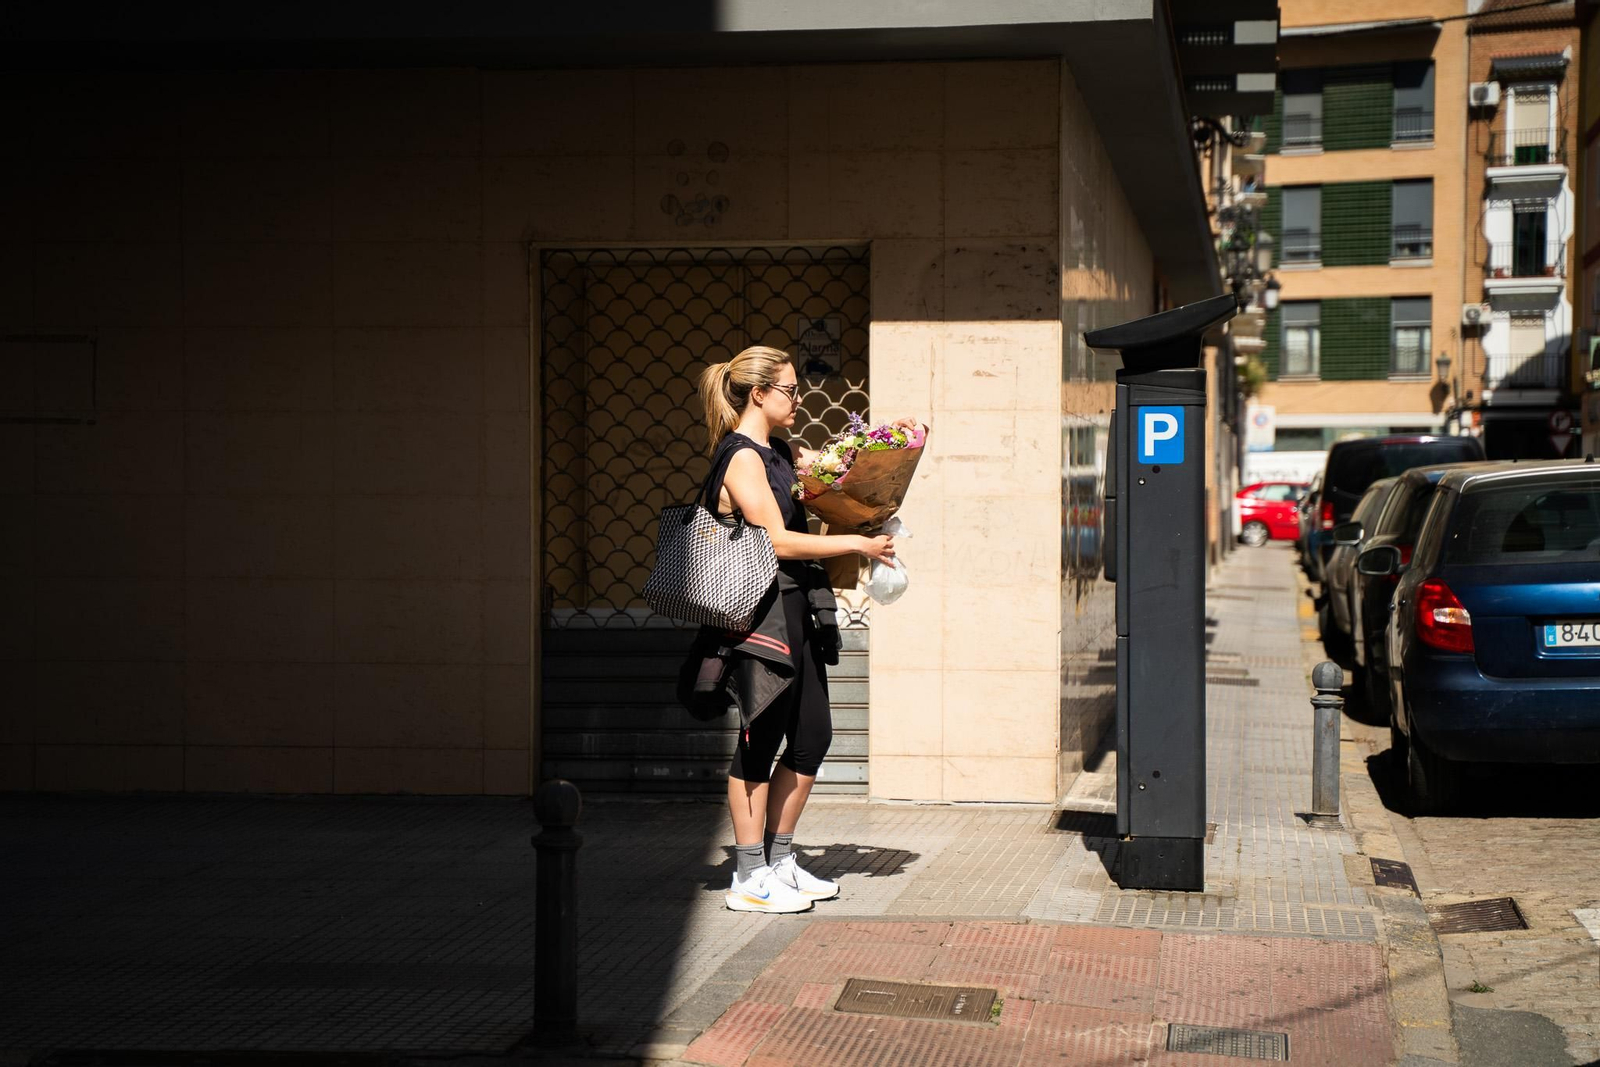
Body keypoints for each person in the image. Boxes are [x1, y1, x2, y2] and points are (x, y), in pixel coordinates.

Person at [694, 345, 910, 914]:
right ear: (759, 393)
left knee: (813, 734)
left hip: (797, 607)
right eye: (790, 390)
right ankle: (747, 874)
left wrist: (891, 450)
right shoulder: (740, 457)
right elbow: (775, 540)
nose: (799, 398)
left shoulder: (780, 450)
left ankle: (779, 859)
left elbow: (840, 470)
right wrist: (857, 543)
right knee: (760, 740)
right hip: (759, 613)